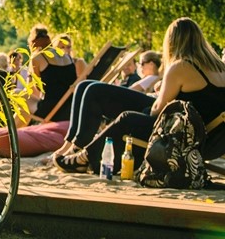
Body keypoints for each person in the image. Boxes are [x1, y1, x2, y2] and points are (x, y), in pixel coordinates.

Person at [54, 17, 225, 175]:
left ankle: (83, 157)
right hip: (199, 133)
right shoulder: (219, 67)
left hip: (181, 135)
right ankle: (73, 146)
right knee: (89, 87)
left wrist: (158, 96)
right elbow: (201, 101)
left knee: (127, 117)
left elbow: (156, 112)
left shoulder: (181, 66)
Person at [27, 24, 77, 122]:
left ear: (33, 42)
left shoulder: (37, 58)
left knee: (16, 95)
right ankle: (15, 133)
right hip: (70, 108)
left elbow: (39, 88)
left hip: (51, 110)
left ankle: (11, 134)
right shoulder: (67, 56)